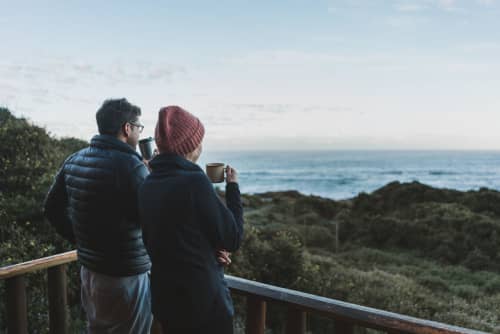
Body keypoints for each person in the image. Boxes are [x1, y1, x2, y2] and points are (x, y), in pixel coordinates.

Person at [43, 98, 152, 334]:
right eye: (138, 127)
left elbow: (51, 208)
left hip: (91, 272)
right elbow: (155, 220)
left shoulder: (74, 160)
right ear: (127, 128)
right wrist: (151, 178)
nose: (138, 132)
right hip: (126, 276)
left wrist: (82, 240)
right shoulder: (133, 168)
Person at [138, 106, 244, 334]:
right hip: (203, 306)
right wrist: (233, 187)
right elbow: (233, 237)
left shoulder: (149, 183)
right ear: (191, 147)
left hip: (167, 301)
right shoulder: (195, 182)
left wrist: (209, 251)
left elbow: (170, 238)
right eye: (199, 139)